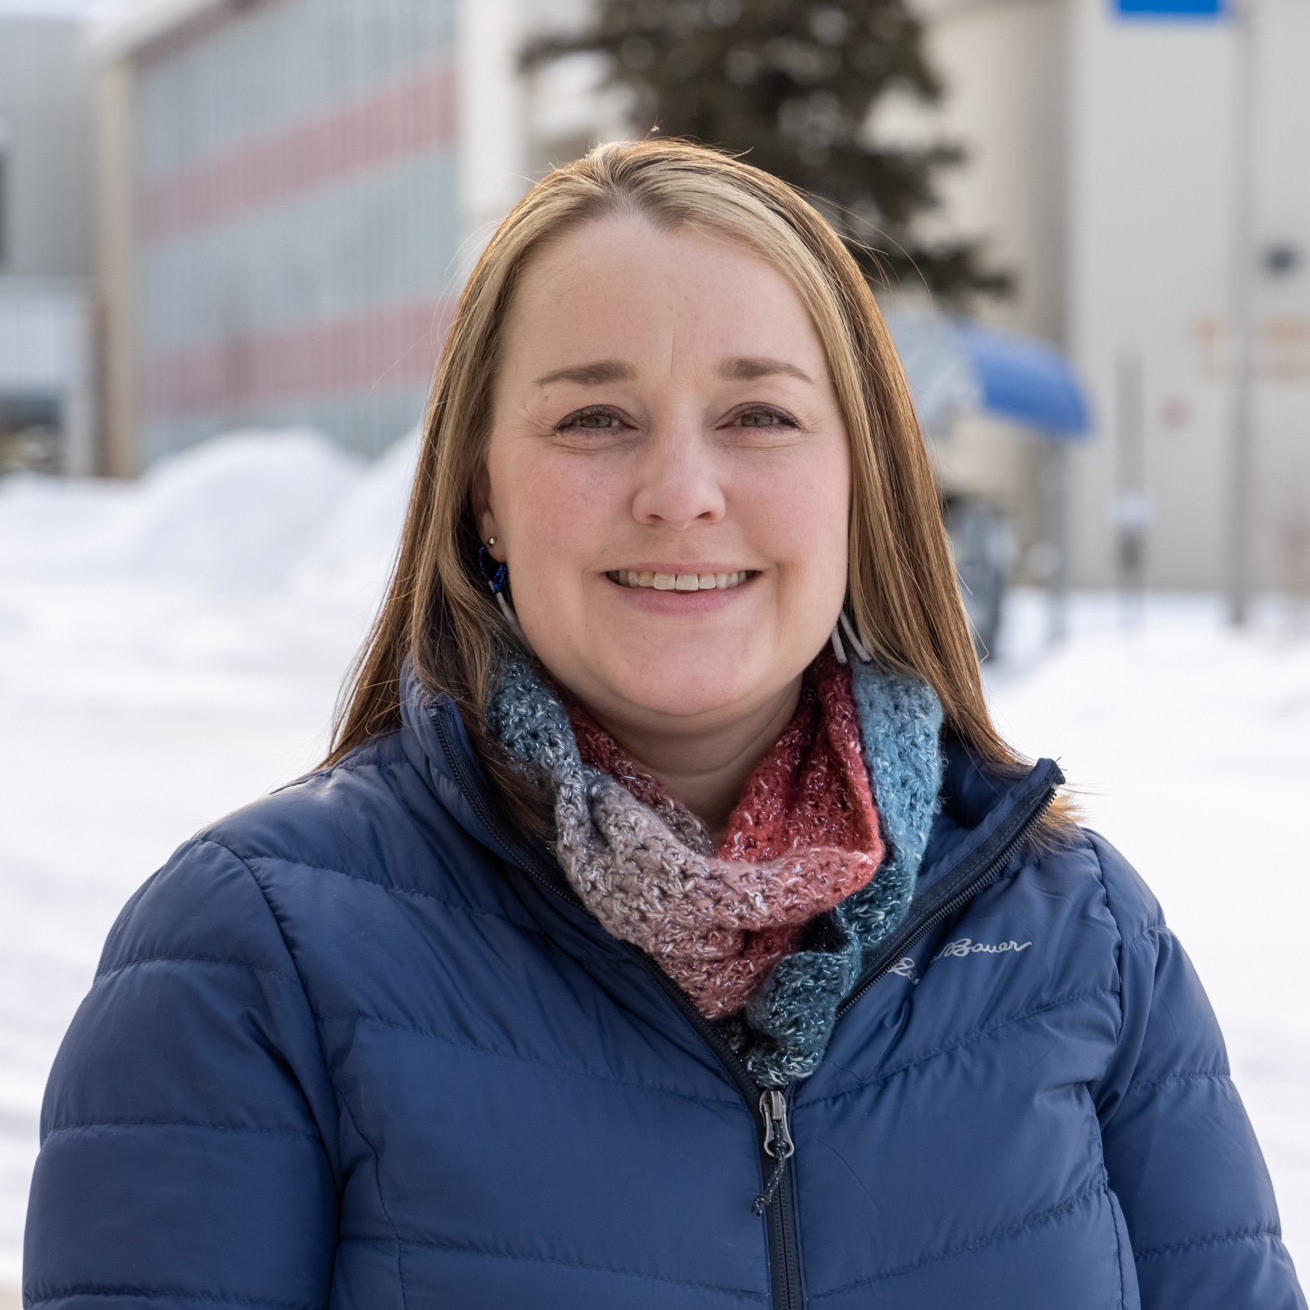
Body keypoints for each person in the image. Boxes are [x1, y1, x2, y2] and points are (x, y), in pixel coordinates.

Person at [23, 140, 1303, 1310]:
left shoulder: (1082, 936)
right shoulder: (252, 958)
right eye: (594, 418)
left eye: (759, 416)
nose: (680, 493)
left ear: (856, 479)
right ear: (481, 495)